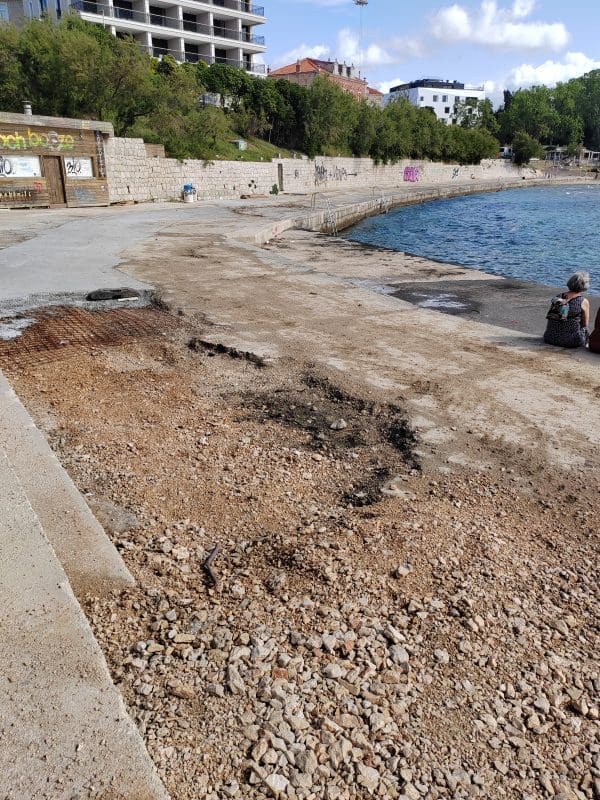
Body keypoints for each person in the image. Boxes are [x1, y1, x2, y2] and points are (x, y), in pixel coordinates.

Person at [543, 271, 590, 348]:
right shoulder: (583, 301)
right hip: (570, 341)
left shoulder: (558, 296)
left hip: (550, 337)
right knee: (585, 329)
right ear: (584, 285)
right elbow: (585, 324)